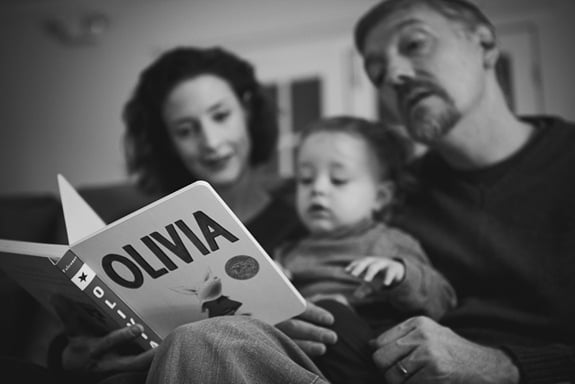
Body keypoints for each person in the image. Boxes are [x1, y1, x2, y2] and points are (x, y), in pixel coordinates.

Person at [145, 1, 575, 383]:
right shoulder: (401, 191)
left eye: (415, 44)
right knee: (199, 342)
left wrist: (505, 365)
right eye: (377, 72)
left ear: (484, 41)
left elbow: (425, 293)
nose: (395, 75)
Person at [41, 46, 305, 384]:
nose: (210, 141)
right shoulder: (131, 228)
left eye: (221, 115)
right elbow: (86, 331)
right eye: (185, 130)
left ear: (248, 109)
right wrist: (66, 360)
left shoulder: (307, 215)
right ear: (168, 142)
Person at [275, 115, 456, 384]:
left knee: (330, 312)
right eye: (305, 179)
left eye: (338, 179)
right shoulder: (287, 252)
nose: (318, 189)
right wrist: (268, 280)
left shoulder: (388, 242)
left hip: (367, 344)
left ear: (380, 197)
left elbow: (443, 300)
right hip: (304, 356)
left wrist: (402, 274)